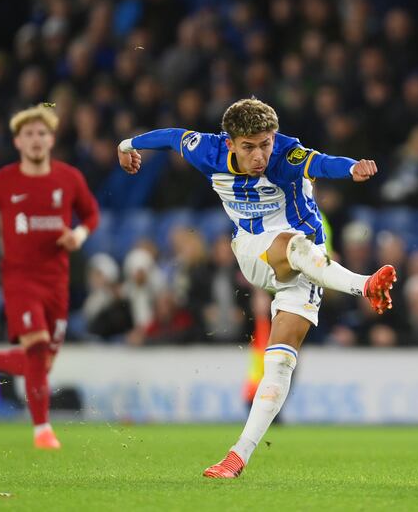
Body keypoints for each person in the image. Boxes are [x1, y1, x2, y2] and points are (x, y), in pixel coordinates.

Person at [116, 97, 397, 478]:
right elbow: (170, 137)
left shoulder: (286, 153)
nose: (260, 155)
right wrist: (127, 146)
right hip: (254, 249)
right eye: (249, 147)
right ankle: (365, 285)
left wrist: (353, 169)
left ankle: (237, 457)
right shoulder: (208, 151)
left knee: (280, 363)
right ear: (229, 143)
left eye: (265, 143)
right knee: (294, 245)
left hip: (309, 265)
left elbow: (321, 162)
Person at [0, 105, 99, 449]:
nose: (36, 140)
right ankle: (42, 431)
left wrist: (78, 236)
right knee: (35, 348)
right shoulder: (3, 181)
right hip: (20, 279)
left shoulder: (68, 178)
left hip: (57, 281)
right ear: (18, 142)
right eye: (29, 134)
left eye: (42, 134)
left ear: (51, 140)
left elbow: (91, 214)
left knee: (41, 364)